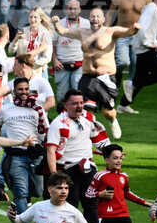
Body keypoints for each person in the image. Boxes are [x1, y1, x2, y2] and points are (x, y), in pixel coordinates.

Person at [49, 8, 135, 140]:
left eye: (98, 16)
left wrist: (136, 27)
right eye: (92, 16)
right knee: (85, 107)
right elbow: (63, 31)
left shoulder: (110, 32)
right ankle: (88, 132)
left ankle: (113, 121)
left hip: (106, 78)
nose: (95, 19)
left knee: (107, 112)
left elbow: (128, 32)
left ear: (103, 19)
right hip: (87, 76)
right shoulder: (83, 32)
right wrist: (56, 23)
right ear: (89, 18)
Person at [0, 78, 50, 223]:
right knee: (22, 192)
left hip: (35, 155)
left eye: (26, 89)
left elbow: (46, 130)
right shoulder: (6, 109)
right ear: (13, 91)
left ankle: (18, 203)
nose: (24, 92)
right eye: (20, 89)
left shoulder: (37, 108)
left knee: (37, 191)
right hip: (16, 155)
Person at [45, 90, 110, 223]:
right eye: (74, 103)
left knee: (91, 204)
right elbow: (51, 150)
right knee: (70, 205)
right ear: (66, 105)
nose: (79, 106)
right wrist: (54, 174)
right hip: (68, 170)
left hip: (88, 168)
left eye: (81, 103)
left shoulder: (88, 119)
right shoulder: (58, 124)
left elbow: (99, 141)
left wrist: (112, 153)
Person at [108, 0, 150, 111]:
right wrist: (105, 32)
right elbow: (110, 15)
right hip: (122, 35)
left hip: (138, 37)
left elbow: (152, 18)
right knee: (123, 62)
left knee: (135, 67)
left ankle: (124, 104)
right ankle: (115, 78)